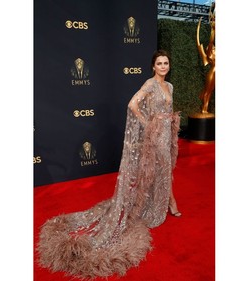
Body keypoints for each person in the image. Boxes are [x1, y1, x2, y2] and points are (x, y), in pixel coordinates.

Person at [37, 49, 181, 279]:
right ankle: (170, 203)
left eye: (166, 63)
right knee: (160, 168)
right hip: (155, 134)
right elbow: (132, 105)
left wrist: (169, 125)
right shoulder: (149, 84)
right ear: (153, 66)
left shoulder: (170, 87)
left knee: (166, 167)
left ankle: (170, 200)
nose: (163, 66)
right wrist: (148, 124)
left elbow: (168, 109)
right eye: (159, 63)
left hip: (167, 133)